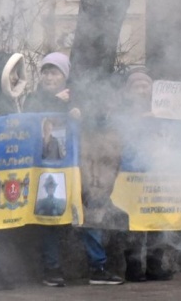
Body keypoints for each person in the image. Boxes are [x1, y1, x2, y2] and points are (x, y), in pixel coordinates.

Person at [25, 51, 123, 287]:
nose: (49, 77)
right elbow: (29, 120)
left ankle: (97, 267)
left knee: (89, 214)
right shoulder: (32, 98)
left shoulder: (77, 98)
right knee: (50, 216)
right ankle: (52, 269)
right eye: (46, 72)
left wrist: (82, 115)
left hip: (79, 167)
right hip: (48, 169)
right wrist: (57, 104)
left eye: (54, 72)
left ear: (64, 75)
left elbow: (98, 125)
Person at [117, 70, 175, 282]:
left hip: (158, 171)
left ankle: (155, 265)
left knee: (158, 219)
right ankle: (133, 267)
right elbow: (120, 131)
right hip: (132, 172)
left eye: (145, 86)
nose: (141, 90)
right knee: (134, 223)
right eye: (137, 86)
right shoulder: (123, 110)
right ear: (128, 91)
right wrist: (143, 119)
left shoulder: (162, 110)